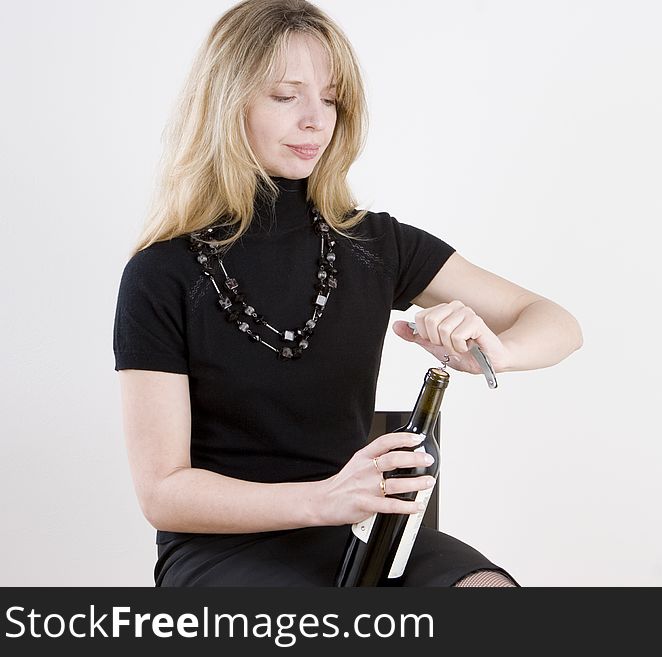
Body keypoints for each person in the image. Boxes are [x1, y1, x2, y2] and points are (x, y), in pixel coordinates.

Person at [113, 0, 582, 587]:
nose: (316, 119)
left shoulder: (375, 245)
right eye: (286, 96)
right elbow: (163, 494)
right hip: (224, 553)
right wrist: (324, 499)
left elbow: (558, 324)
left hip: (364, 532)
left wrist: (498, 351)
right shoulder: (162, 274)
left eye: (330, 98)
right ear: (226, 105)